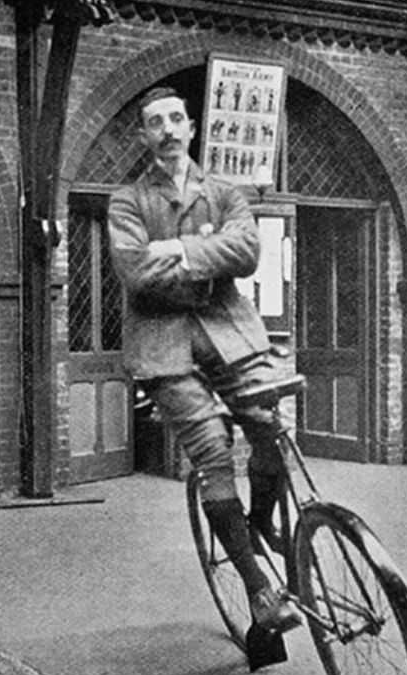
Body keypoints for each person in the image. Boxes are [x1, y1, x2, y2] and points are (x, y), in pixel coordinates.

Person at [108, 86, 301, 636]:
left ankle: (259, 522)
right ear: (143, 135)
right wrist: (205, 253)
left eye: (175, 119)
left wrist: (175, 249)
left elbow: (248, 252)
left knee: (269, 428)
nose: (167, 130)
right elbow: (134, 272)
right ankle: (257, 586)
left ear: (191, 127)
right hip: (164, 347)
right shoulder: (126, 201)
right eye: (154, 123)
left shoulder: (225, 191)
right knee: (213, 455)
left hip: (232, 335)